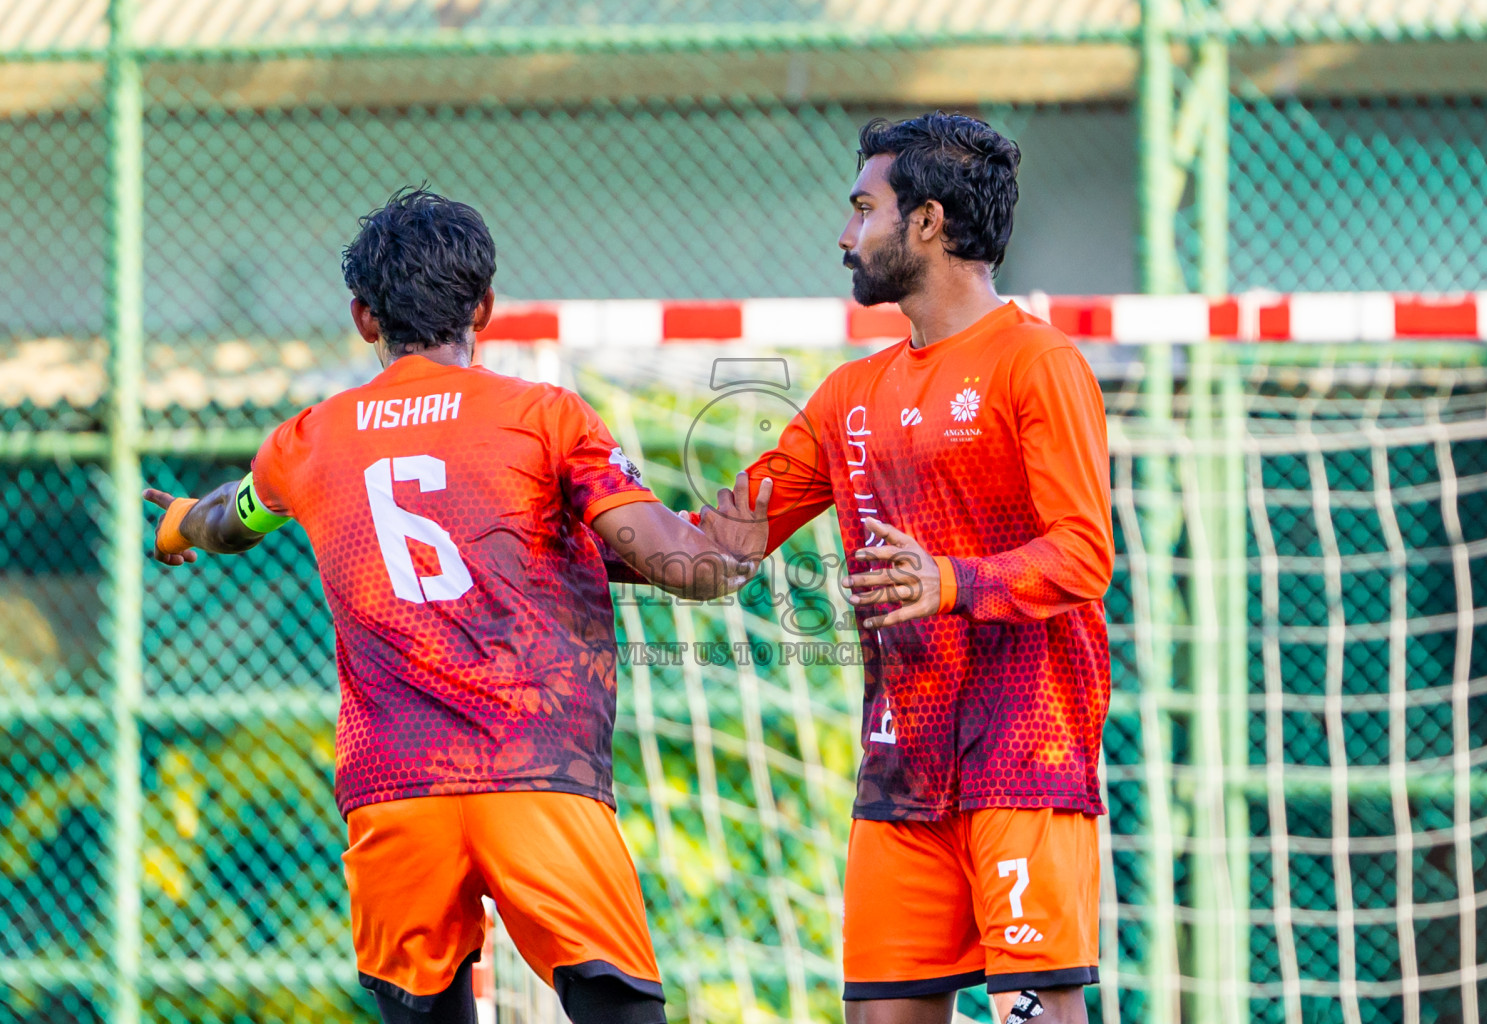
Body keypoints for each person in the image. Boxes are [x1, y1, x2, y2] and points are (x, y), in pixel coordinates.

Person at [143, 188, 770, 1024]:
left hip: (395, 787)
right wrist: (726, 553)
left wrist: (183, 526)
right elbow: (674, 561)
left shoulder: (308, 441)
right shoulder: (543, 418)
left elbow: (235, 518)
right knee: (617, 1009)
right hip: (535, 776)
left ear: (364, 318)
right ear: (485, 306)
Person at [702, 114, 1114, 1024]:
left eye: (863, 210)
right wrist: (563, 538)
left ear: (926, 222)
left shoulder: (1038, 363)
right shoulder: (852, 392)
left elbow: (1085, 554)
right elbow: (723, 542)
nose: (846, 236)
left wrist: (952, 582)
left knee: (1037, 1012)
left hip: (1024, 751)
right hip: (902, 766)